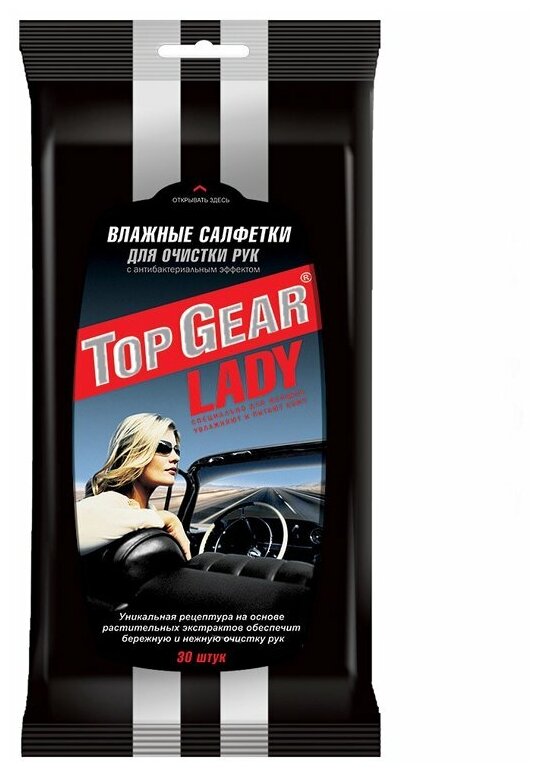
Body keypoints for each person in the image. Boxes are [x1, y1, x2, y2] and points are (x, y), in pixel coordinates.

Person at [76, 413, 191, 560]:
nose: (176, 457)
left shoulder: (148, 510)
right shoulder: (111, 500)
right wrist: (167, 518)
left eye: (176, 449)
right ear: (134, 452)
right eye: (164, 448)